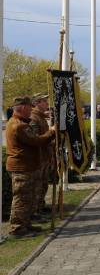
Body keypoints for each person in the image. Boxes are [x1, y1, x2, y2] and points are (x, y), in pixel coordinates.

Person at [5, 97, 56, 238]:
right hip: (22, 167)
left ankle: (25, 225)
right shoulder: (18, 125)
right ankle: (17, 229)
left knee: (28, 198)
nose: (31, 110)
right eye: (29, 108)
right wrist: (52, 132)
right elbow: (36, 141)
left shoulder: (20, 123)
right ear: (21, 108)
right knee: (21, 199)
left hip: (26, 166)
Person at [29, 93, 55, 218]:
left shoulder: (40, 117)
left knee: (43, 184)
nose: (47, 104)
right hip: (38, 157)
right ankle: (35, 210)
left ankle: (40, 206)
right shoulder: (34, 118)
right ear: (37, 103)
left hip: (45, 156)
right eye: (45, 101)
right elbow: (35, 140)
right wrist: (51, 132)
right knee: (37, 185)